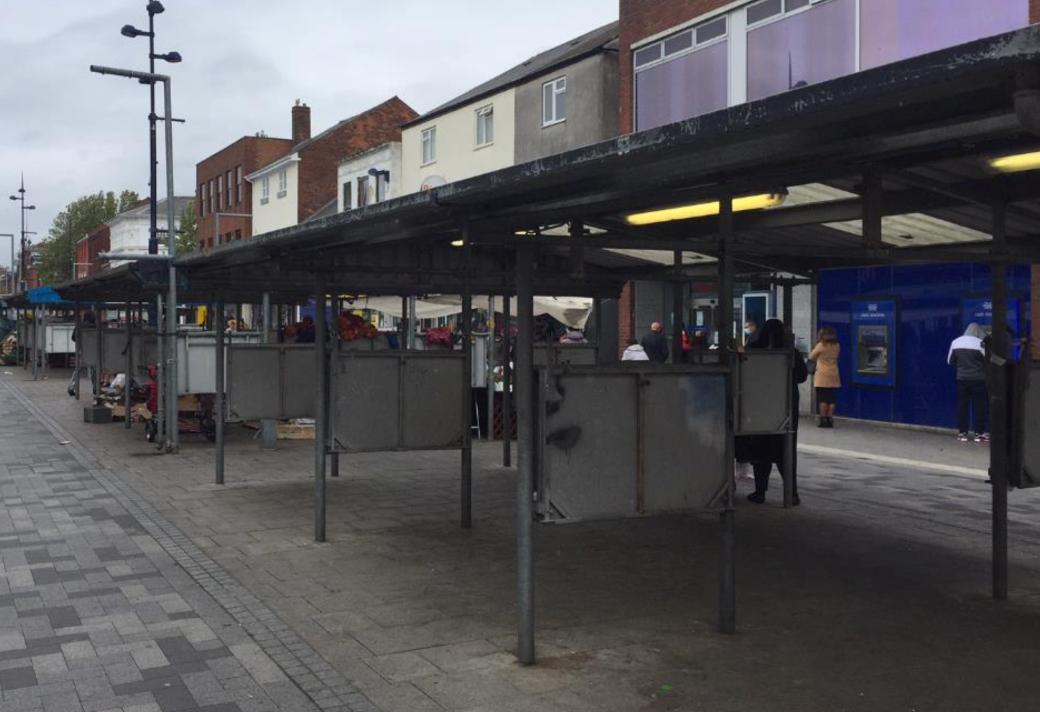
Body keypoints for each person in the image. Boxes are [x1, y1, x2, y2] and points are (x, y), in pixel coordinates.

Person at [739, 319, 808, 505]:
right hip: (788, 406)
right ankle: (792, 493)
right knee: (787, 451)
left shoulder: (754, 351)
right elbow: (802, 376)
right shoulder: (790, 352)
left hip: (761, 407)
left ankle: (760, 492)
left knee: (762, 452)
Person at [948, 323, 988, 442]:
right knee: (979, 406)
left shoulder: (955, 342)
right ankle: (978, 434)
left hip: (962, 379)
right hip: (978, 380)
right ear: (977, 331)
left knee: (962, 406)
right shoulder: (980, 343)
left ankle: (962, 434)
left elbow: (950, 361)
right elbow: (988, 361)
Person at [808, 326, 841, 428]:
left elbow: (811, 357)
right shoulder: (837, 345)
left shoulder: (821, 345)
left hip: (822, 374)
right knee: (831, 399)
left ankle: (823, 420)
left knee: (823, 398)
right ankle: (830, 419)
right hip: (834, 373)